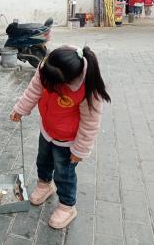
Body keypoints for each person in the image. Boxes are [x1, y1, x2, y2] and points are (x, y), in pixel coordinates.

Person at [10, 46, 110, 229]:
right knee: (43, 160)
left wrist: (80, 150)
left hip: (69, 141)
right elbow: (33, 91)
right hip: (47, 130)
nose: (46, 85)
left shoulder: (87, 90)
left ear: (67, 81)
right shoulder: (46, 68)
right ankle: (44, 184)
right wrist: (20, 109)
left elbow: (90, 123)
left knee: (64, 173)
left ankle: (67, 205)